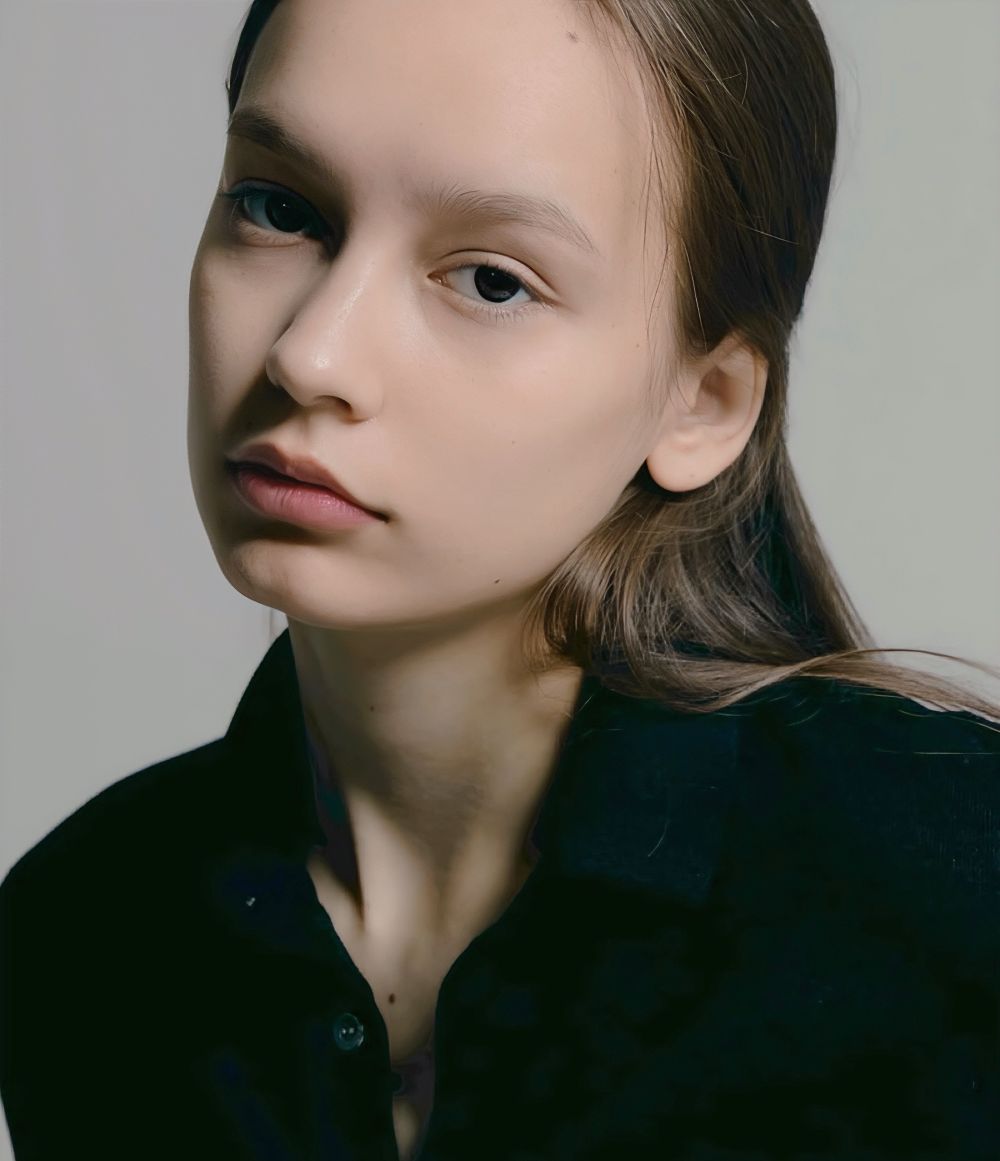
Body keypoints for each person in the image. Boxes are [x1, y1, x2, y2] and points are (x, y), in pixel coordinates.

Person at [2, 1, 999, 1158]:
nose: (308, 354)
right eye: (279, 208)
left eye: (489, 281)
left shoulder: (951, 899)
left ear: (704, 403)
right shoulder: (78, 932)